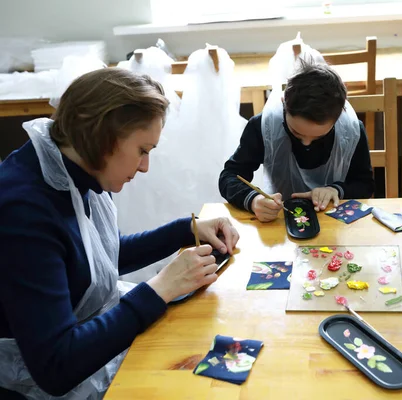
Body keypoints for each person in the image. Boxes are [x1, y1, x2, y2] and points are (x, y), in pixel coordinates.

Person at [0, 68, 240, 399]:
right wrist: (160, 288)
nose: (144, 167)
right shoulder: (23, 213)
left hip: (81, 344)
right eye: (143, 150)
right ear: (103, 136)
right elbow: (56, 368)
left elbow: (98, 257)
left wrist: (186, 230)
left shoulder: (76, 168)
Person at [218, 61, 375, 222]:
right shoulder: (264, 127)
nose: (306, 144)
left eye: (319, 137)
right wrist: (253, 200)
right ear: (283, 102)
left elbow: (365, 184)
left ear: (338, 117)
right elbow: (229, 177)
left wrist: (336, 190)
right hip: (279, 219)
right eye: (296, 133)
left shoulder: (350, 131)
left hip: (333, 221)